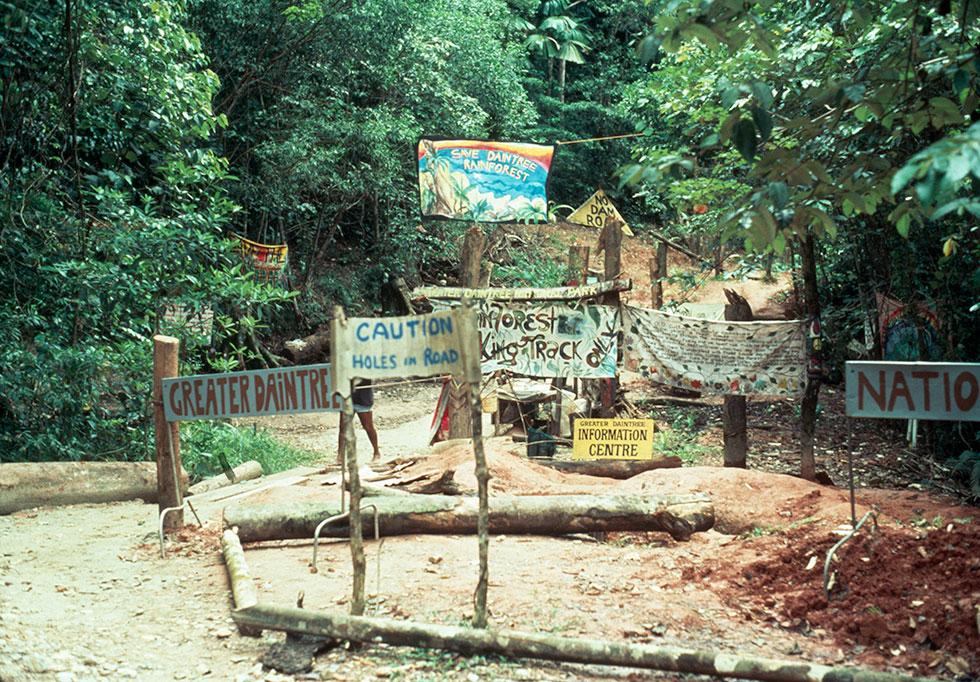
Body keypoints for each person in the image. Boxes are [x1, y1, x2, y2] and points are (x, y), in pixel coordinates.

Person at [337, 380, 381, 464]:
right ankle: (340, 455)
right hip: (348, 398)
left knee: (368, 427)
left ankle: (376, 453)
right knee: (343, 428)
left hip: (363, 398)